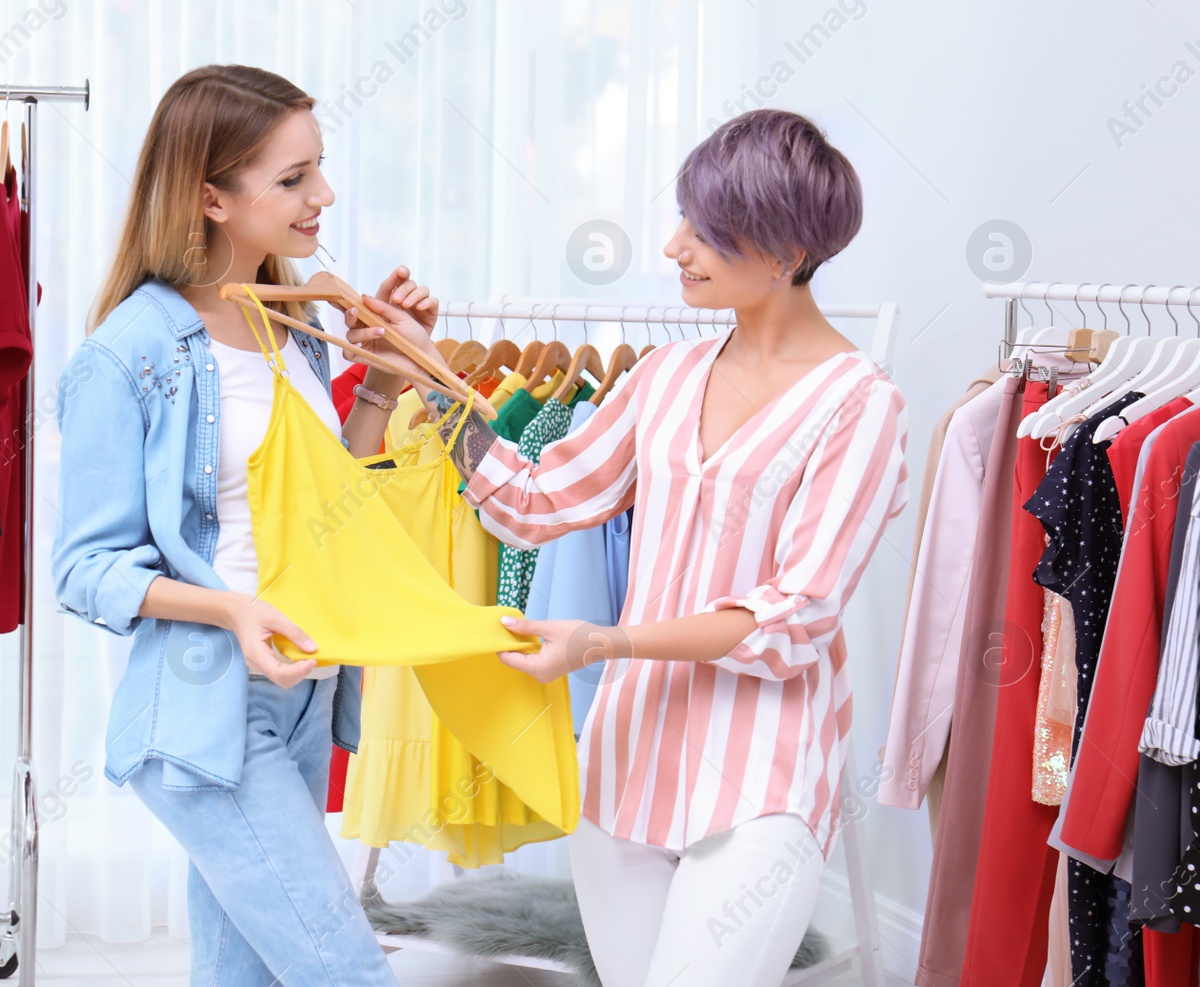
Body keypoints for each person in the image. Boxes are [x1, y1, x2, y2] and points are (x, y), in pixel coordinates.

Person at [350, 108, 910, 986]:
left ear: (785, 253)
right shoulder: (666, 375)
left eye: (707, 231)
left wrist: (604, 641)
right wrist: (427, 369)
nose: (675, 247)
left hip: (759, 766)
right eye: (684, 220)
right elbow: (530, 503)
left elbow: (794, 616)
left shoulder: (859, 404)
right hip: (628, 756)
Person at [52, 64, 438, 986]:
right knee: (350, 970)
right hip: (205, 707)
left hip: (303, 691)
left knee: (249, 977)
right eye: (294, 177)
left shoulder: (292, 327)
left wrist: (382, 381)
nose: (324, 196)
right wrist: (234, 613)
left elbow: (322, 510)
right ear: (210, 197)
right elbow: (84, 569)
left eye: (319, 169)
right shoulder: (127, 355)